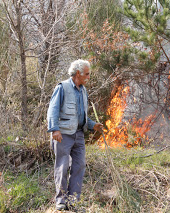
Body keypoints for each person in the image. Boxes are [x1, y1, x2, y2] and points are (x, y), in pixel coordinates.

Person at [47, 59, 103, 211]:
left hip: (78, 135)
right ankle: (61, 201)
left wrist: (92, 125)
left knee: (79, 166)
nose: (88, 77)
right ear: (78, 73)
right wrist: (54, 129)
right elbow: (52, 110)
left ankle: (73, 201)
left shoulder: (83, 90)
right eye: (87, 74)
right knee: (62, 167)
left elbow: (81, 115)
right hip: (63, 135)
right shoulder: (62, 87)